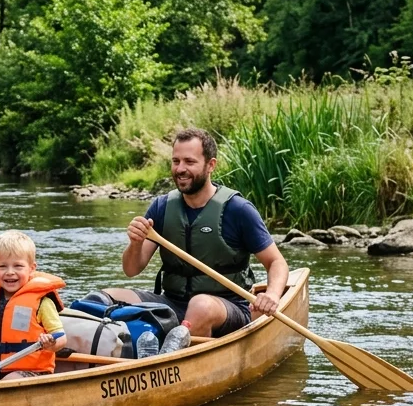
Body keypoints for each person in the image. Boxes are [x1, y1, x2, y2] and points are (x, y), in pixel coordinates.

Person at [121, 127, 288, 338]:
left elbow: (277, 262)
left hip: (228, 306)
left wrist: (272, 295)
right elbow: (131, 269)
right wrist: (135, 243)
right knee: (106, 298)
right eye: (176, 161)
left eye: (189, 162)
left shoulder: (238, 210)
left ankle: (171, 357)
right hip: (172, 302)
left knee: (200, 305)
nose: (180, 169)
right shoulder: (162, 207)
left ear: (211, 165)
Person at [0, 230, 67, 381]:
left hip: (32, 372)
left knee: (9, 380)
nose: (10, 272)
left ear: (31, 268)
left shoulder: (42, 302)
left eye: (18, 266)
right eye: (3, 266)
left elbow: (61, 339)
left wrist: (50, 344)